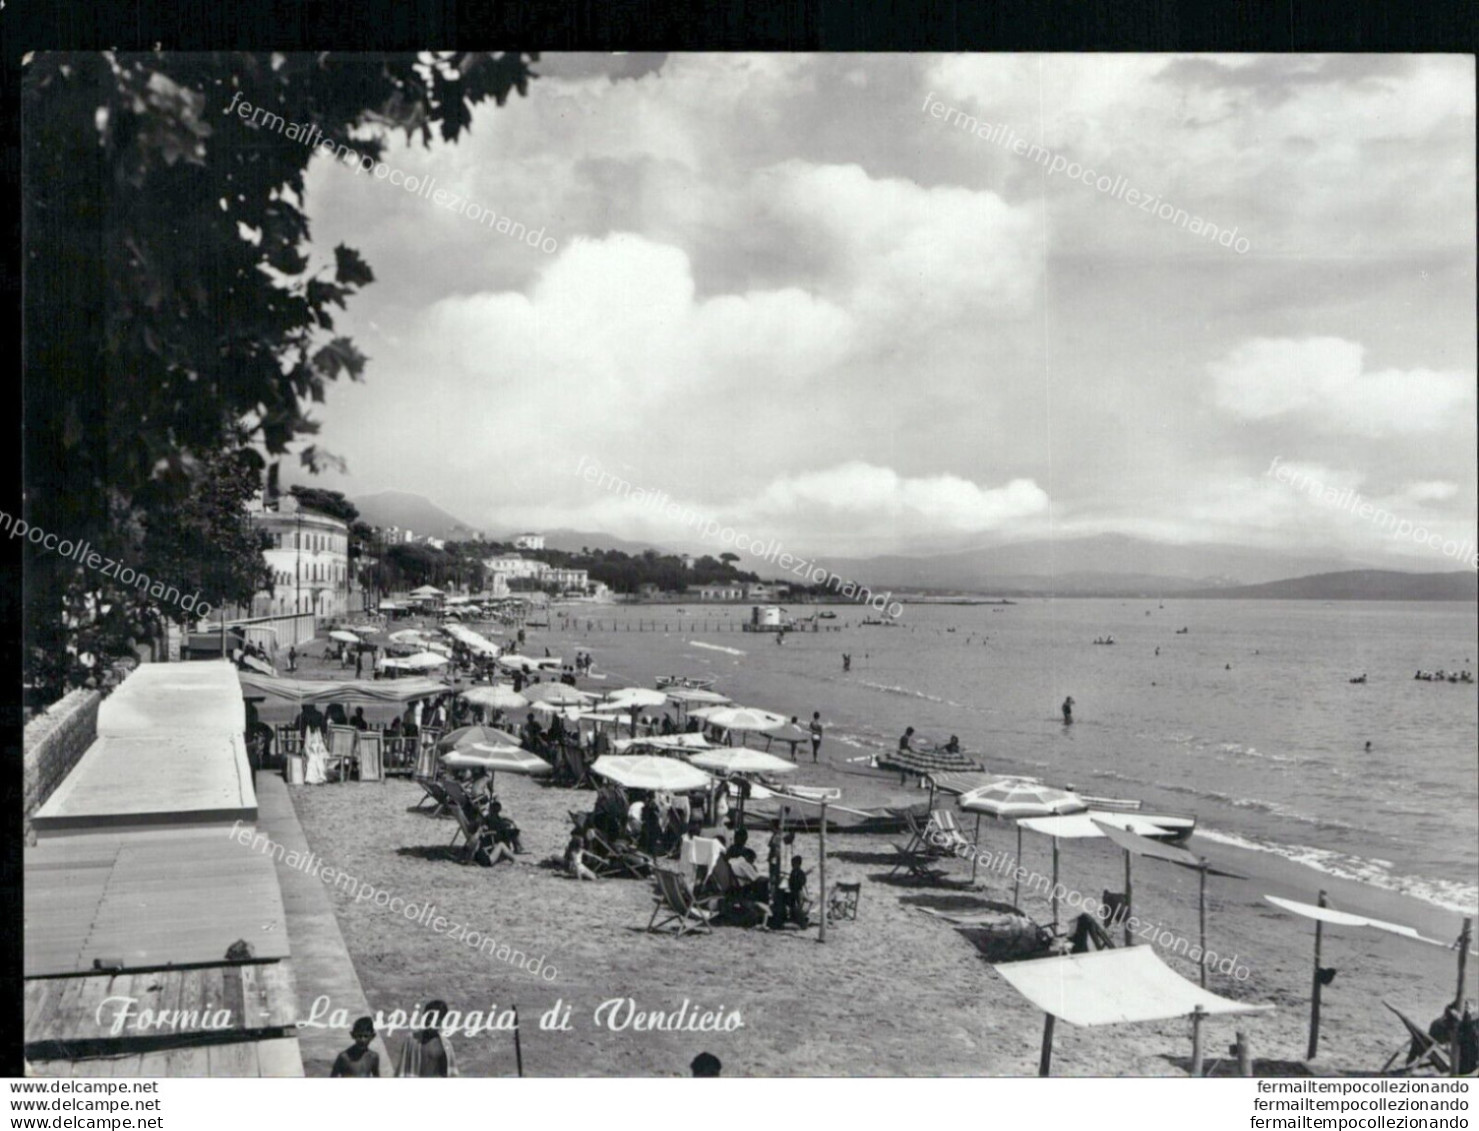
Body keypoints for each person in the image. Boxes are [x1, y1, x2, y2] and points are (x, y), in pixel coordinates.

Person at [395, 1001, 456, 1077]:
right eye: (428, 1018)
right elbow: (402, 1069)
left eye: (435, 1019)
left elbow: (448, 1074)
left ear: (442, 1021)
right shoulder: (410, 1041)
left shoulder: (445, 1046)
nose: (430, 1022)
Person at [787, 854, 810, 928]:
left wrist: (796, 884)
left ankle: (801, 920)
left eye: (793, 863)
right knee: (793, 905)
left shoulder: (800, 872)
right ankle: (795, 918)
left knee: (798, 905)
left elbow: (803, 882)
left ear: (798, 864)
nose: (792, 865)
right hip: (793, 891)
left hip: (798, 891)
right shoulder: (793, 872)